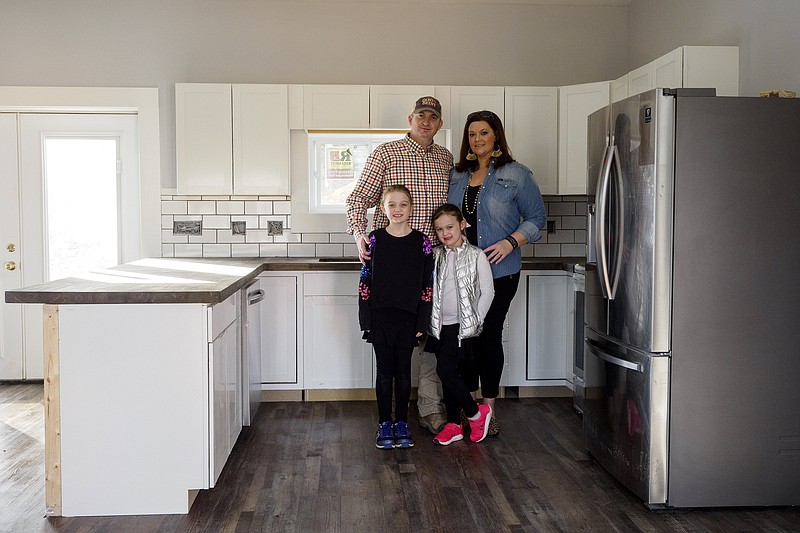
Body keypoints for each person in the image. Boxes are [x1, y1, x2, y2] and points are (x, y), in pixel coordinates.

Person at [346, 96, 452, 435]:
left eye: (432, 117)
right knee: (396, 343)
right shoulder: (386, 153)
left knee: (428, 335)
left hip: (431, 258)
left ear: (439, 124)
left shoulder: (446, 158)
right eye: (420, 115)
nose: (426, 122)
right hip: (390, 260)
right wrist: (360, 234)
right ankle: (390, 418)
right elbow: (356, 199)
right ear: (410, 118)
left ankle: (429, 409)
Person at [447, 110, 546, 437]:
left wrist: (510, 242)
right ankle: (472, 410)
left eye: (484, 133)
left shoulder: (517, 174)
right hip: (463, 272)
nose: (477, 140)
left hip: (501, 270)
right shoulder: (457, 175)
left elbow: (536, 219)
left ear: (496, 136)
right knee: (466, 340)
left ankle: (490, 411)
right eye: (472, 134)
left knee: (488, 336)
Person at [358, 185, 434, 449]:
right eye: (392, 204)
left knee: (403, 373)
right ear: (382, 209)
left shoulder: (422, 242)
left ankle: (401, 421)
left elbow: (427, 286)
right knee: (384, 373)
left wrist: (421, 322)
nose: (398, 209)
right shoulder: (375, 239)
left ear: (411, 209)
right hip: (380, 317)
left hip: (409, 319)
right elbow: (365, 281)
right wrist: (366, 320)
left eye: (403, 204)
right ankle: (383, 423)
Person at [427, 203, 495, 446]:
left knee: (446, 370)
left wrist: (476, 320)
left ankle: (476, 413)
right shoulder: (434, 255)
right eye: (439, 229)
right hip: (440, 326)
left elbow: (487, 292)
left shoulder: (476, 255)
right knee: (448, 374)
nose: (445, 233)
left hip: (463, 325)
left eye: (449, 227)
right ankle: (454, 425)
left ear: (462, 225)